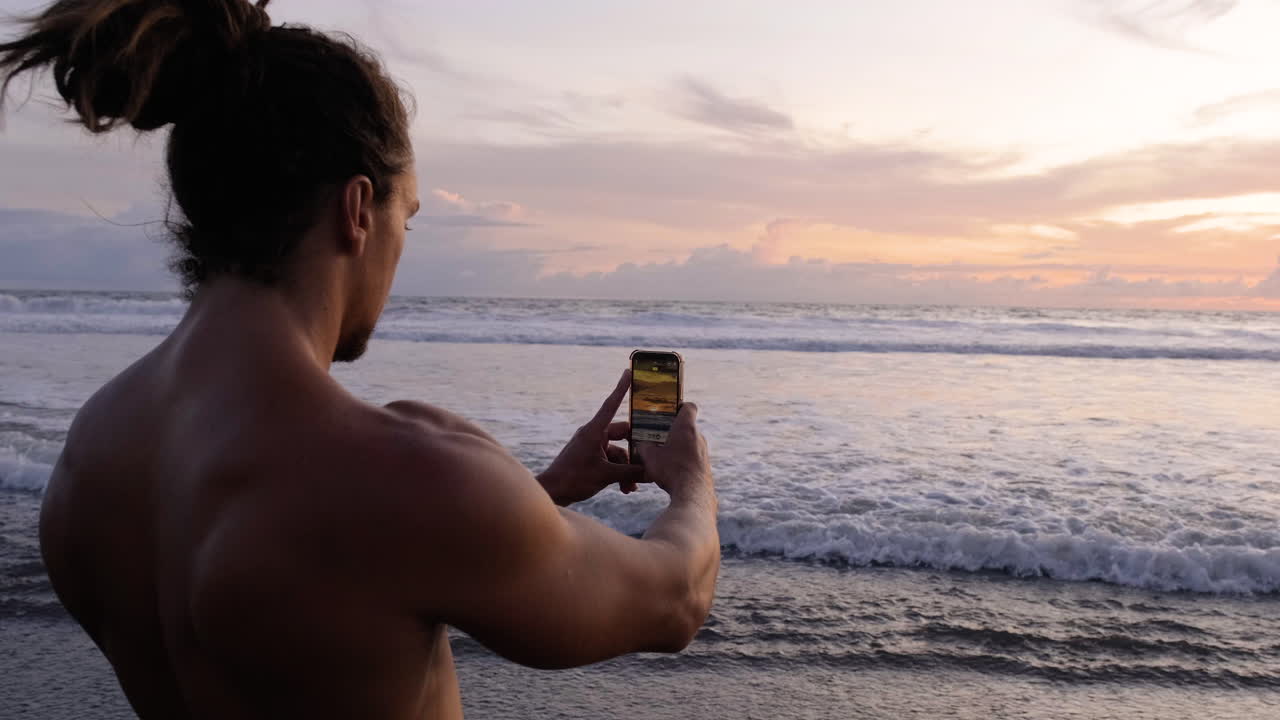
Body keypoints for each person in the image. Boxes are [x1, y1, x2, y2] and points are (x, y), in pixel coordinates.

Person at [0, 1, 720, 717]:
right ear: (357, 210)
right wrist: (692, 487)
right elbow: (673, 598)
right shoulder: (409, 477)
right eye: (404, 219)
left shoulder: (89, 460)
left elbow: (330, 554)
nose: (400, 250)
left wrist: (546, 490)